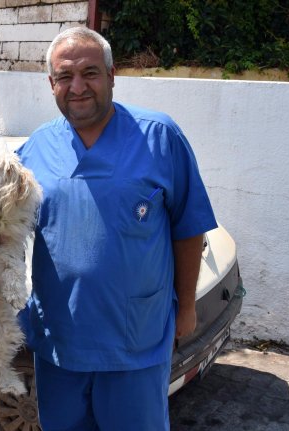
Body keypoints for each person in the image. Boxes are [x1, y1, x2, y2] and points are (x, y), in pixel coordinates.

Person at [16, 26, 218, 430]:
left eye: (90, 73)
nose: (78, 87)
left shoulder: (159, 137)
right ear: (51, 84)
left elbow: (189, 227)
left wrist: (188, 306)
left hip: (135, 343)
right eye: (64, 77)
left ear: (111, 76)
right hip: (60, 346)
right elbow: (9, 233)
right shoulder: (34, 149)